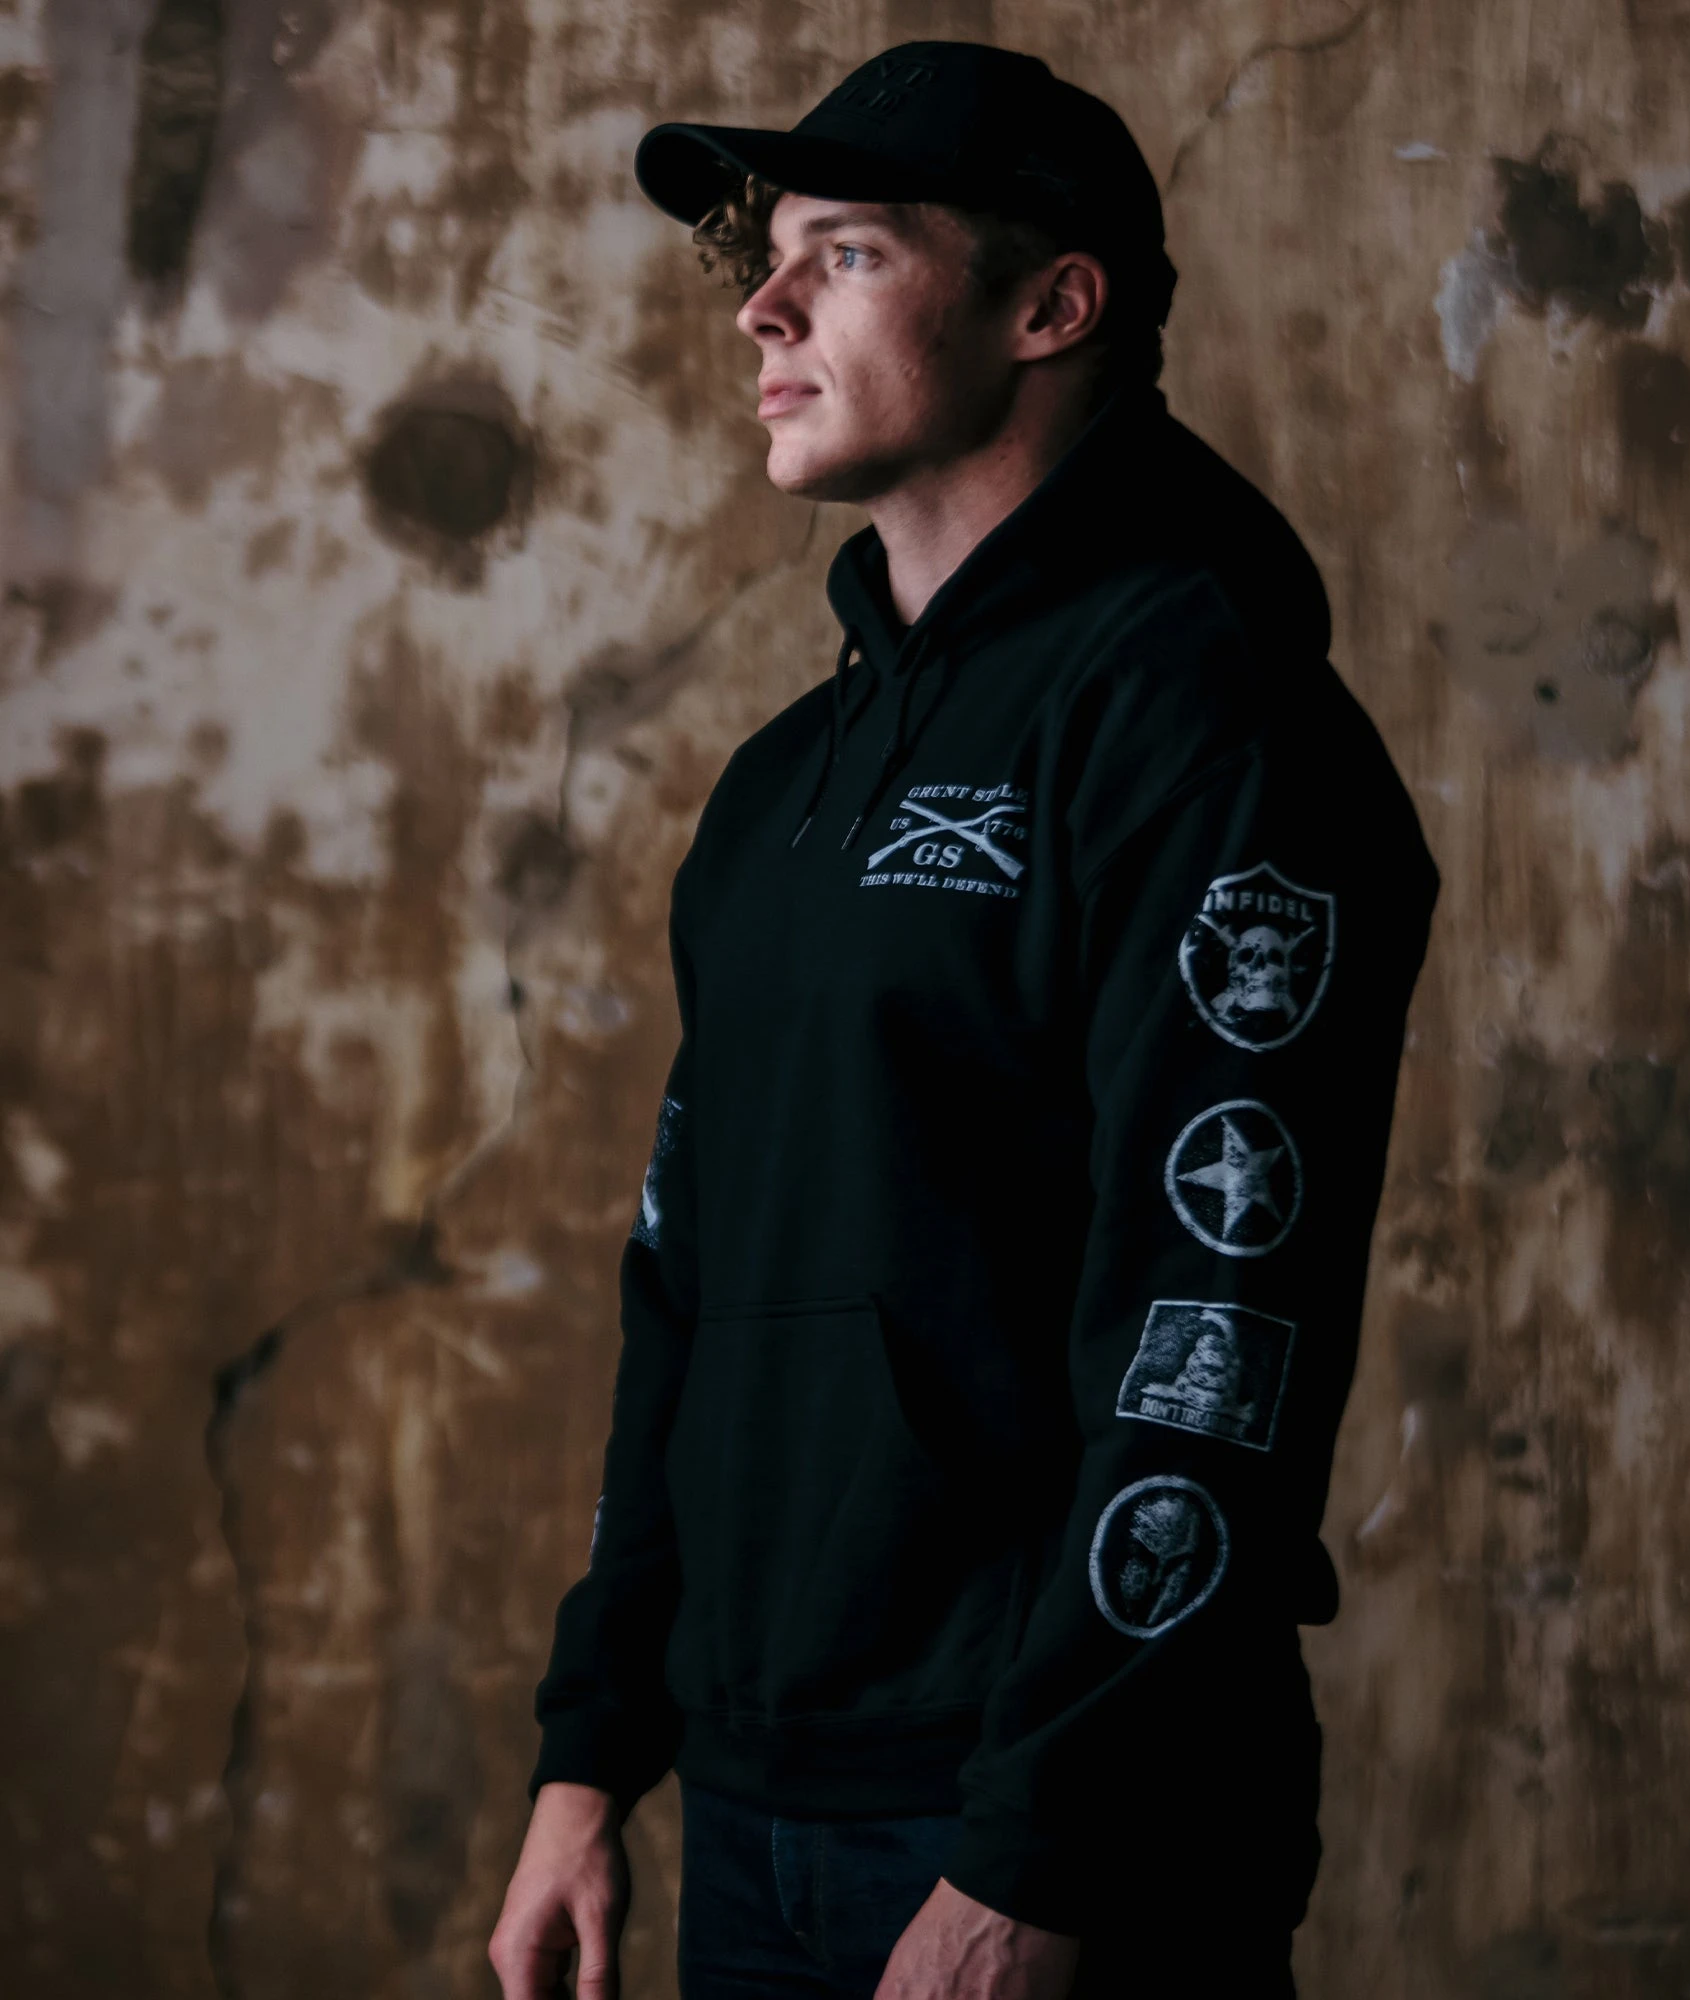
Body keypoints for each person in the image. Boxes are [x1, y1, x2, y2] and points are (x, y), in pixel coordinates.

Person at [487, 38, 1439, 2000]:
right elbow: (686, 1284)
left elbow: (1217, 1320)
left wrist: (1038, 1856)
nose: (760, 307)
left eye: (841, 254)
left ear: (1048, 306)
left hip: (1038, 1833)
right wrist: (592, 1751)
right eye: (766, 259)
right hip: (758, 1798)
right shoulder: (785, 786)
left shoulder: (1204, 722)